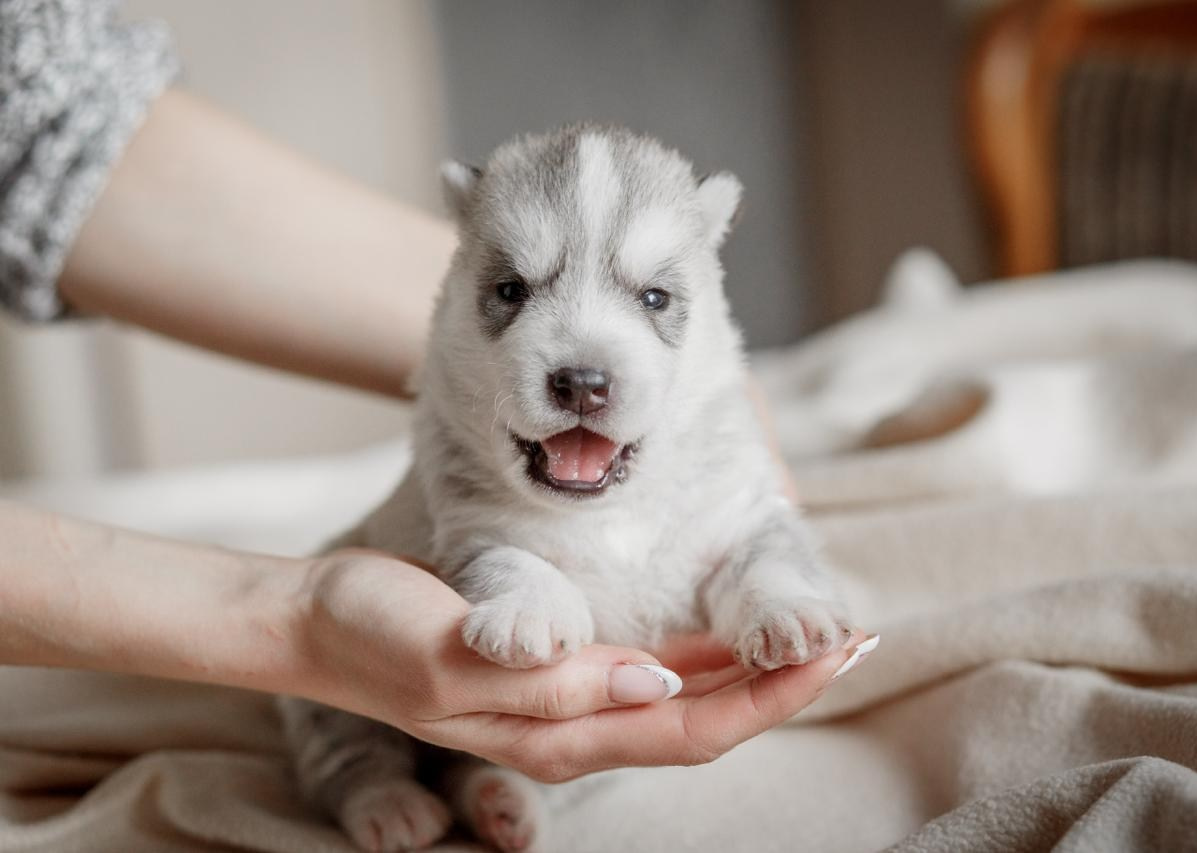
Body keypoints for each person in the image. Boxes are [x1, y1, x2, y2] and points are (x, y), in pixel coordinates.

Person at [0, 1, 872, 783]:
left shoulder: (711, 409)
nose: (582, 362)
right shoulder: (466, 448)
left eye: (652, 298)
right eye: (515, 290)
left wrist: (770, 595)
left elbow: (51, 124)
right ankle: (367, 772)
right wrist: (301, 618)